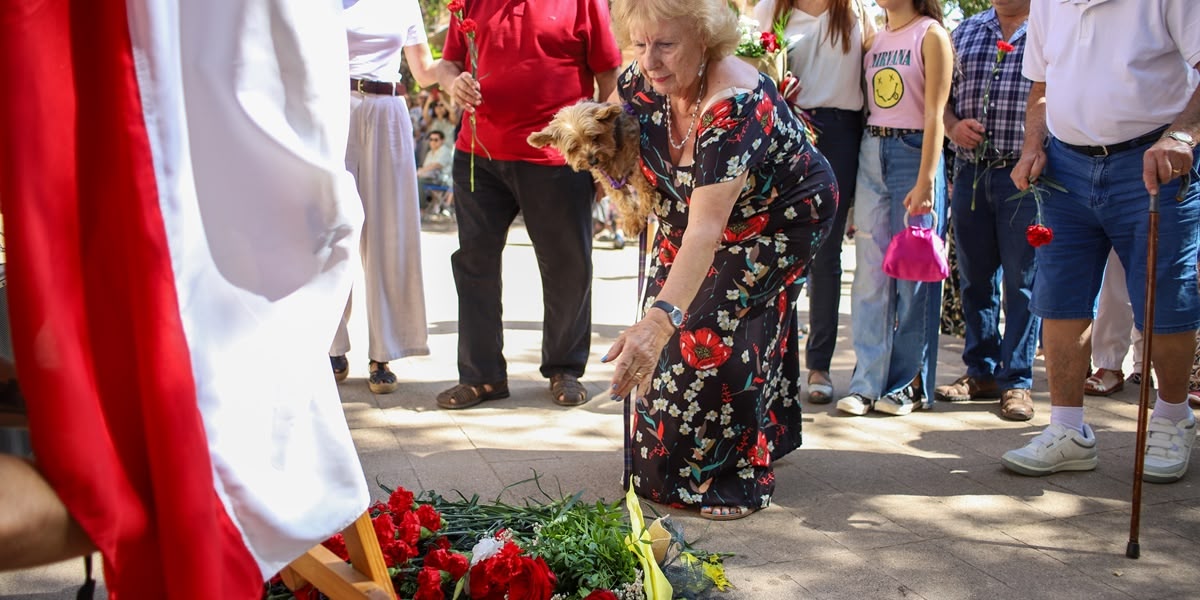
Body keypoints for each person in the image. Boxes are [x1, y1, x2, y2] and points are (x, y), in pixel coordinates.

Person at [603, 0, 837, 520]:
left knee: (709, 331)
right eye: (640, 44)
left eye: (665, 44)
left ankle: (736, 478)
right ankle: (722, 448)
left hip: (780, 218)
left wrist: (663, 322)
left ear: (704, 38)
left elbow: (708, 231)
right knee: (659, 331)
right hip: (695, 214)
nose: (650, 60)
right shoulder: (641, 82)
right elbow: (621, 140)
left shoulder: (734, 102)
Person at [1001, 0, 1200, 482]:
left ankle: (1174, 416)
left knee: (1164, 300)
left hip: (1152, 161)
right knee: (1059, 300)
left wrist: (1182, 136)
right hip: (1065, 168)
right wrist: (1032, 145)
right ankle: (1068, 430)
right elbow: (1041, 88)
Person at [434, 0, 622, 409]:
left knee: (568, 265)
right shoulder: (466, 3)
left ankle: (565, 369)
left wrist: (609, 156)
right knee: (474, 264)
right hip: (477, 153)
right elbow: (448, 63)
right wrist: (454, 81)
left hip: (556, 159)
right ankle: (482, 377)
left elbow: (610, 76)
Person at [752, 0, 875, 405]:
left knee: (827, 252)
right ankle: (767, 362)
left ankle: (818, 364)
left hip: (842, 130)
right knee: (779, 250)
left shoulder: (856, 8)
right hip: (788, 125)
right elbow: (752, 67)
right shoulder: (773, 8)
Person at [836, 0, 953, 417]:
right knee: (869, 274)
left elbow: (937, 113)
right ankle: (866, 382)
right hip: (872, 150)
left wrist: (926, 179)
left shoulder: (931, 35)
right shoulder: (875, 38)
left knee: (914, 277)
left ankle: (909, 383)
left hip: (914, 152)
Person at [935, 0, 1039, 421]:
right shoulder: (966, 31)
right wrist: (952, 125)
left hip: (1025, 176)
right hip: (971, 174)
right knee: (975, 280)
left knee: (1023, 282)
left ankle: (1017, 382)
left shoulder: (1049, 30)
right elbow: (938, 97)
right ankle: (980, 371)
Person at [334, 0, 441, 394]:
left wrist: (457, 68)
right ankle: (332, 345)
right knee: (333, 228)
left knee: (389, 233)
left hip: (388, 110)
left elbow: (424, 71)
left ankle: (384, 351)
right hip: (334, 109)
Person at [417, 129, 453, 212]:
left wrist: (420, 172)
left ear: (442, 140)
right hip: (431, 178)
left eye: (436, 140)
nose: (432, 142)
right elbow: (426, 168)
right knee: (416, 180)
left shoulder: (445, 150)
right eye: (431, 139)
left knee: (419, 182)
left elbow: (437, 165)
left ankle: (421, 208)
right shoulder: (430, 153)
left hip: (443, 180)